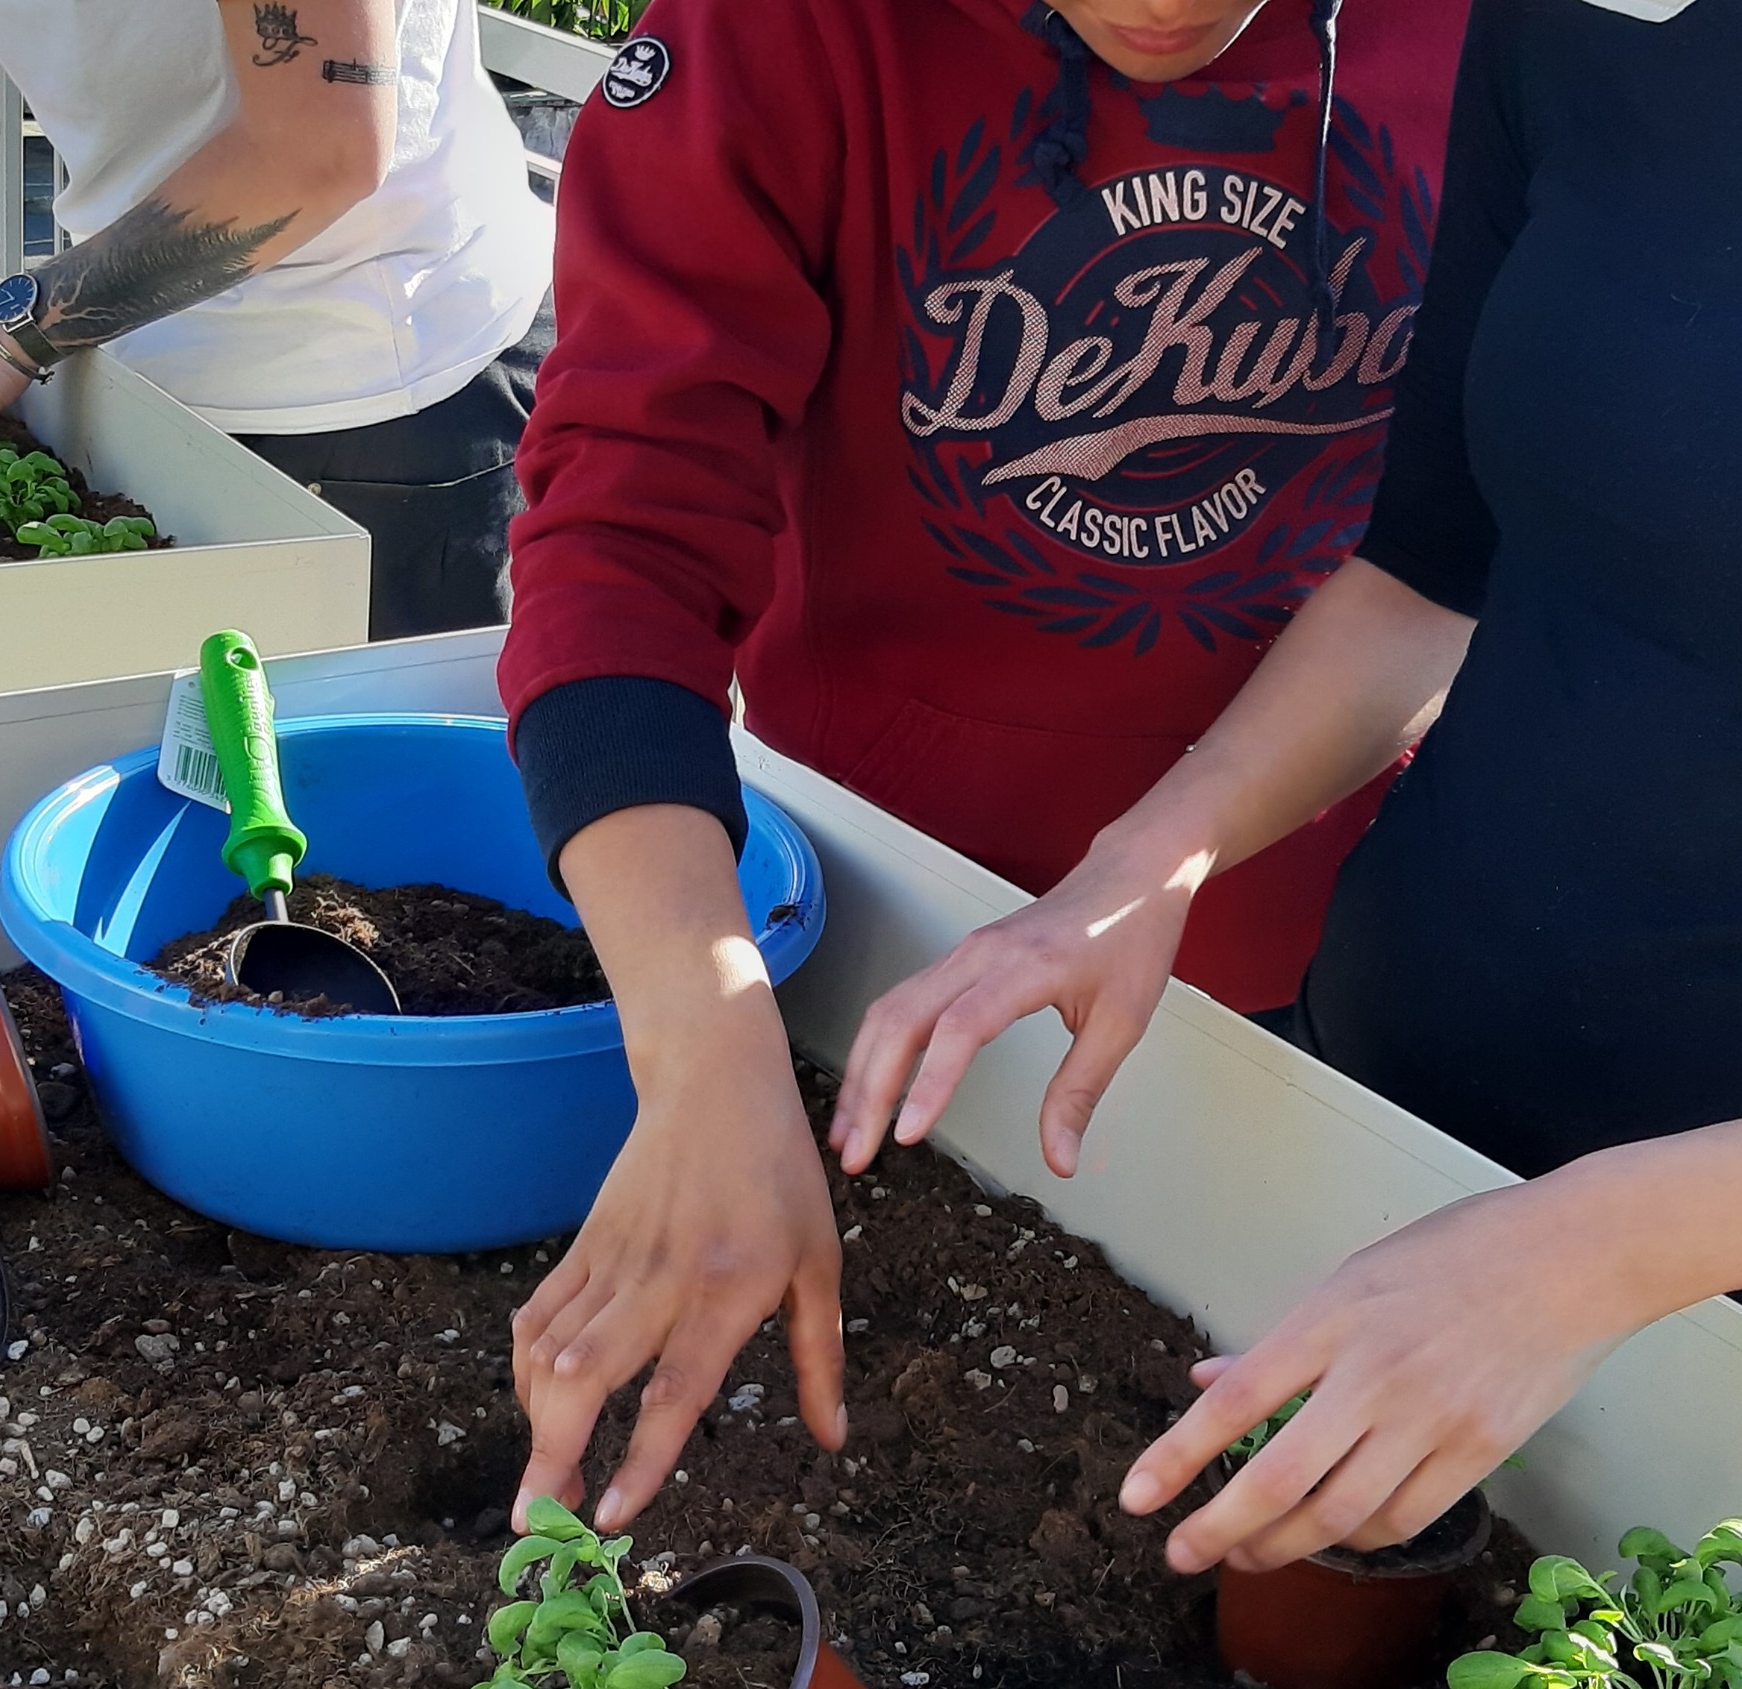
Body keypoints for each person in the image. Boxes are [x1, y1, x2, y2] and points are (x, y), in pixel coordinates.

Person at [838, 0, 1742, 1579]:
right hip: (1381, 1115)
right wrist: (1144, 864)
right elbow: (1426, 578)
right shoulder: (1584, 25)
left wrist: (1587, 1251)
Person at [495, 0, 1474, 1532]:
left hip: (1339, 983)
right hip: (873, 975)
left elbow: (1460, 549)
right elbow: (621, 537)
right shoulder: (774, 36)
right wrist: (701, 1041)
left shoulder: (1523, 37)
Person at [0, 0, 552, 636]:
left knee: (365, 737)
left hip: (374, 400)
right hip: (134, 380)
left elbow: (319, 148)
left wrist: (5, 340)